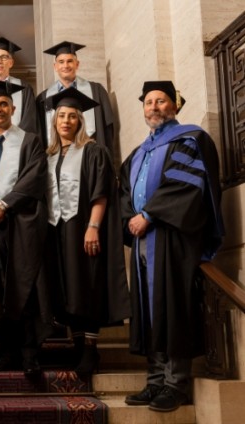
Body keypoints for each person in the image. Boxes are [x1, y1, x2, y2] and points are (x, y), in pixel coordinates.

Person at [121, 81, 223, 412]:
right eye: (148, 102)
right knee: (149, 310)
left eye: (161, 101)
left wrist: (149, 214)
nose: (154, 107)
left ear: (175, 106)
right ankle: (154, 381)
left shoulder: (189, 140)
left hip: (172, 239)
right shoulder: (138, 152)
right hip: (143, 242)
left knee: (172, 307)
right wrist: (130, 218)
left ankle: (176, 384)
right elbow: (124, 192)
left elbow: (186, 186)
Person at [43, 87, 130, 376]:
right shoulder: (49, 155)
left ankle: (91, 350)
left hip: (83, 228)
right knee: (68, 288)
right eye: (61, 116)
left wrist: (93, 227)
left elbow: (101, 192)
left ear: (80, 121)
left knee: (87, 284)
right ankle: (78, 346)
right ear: (55, 121)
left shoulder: (93, 151)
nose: (66, 121)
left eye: (72, 116)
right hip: (56, 231)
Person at [0, 80, 52, 376]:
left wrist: (4, 205)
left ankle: (30, 354)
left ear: (13, 108)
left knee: (25, 285)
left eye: (3, 104)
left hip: (22, 223)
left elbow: (33, 178)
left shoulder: (30, 141)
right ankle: (7, 351)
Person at [36, 41, 117, 158]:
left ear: (77, 64)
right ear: (55, 66)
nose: (65, 66)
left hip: (90, 156)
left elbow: (108, 130)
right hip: (56, 157)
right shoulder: (43, 99)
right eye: (61, 62)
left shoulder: (96, 91)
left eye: (70, 61)